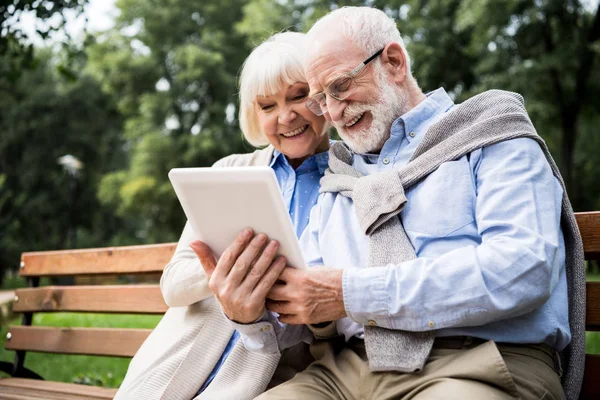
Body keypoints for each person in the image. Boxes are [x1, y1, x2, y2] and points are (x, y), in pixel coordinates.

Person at [193, 6, 586, 400]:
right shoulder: (338, 179)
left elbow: (523, 268)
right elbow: (300, 313)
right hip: (343, 374)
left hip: (479, 362)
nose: (332, 112)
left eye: (339, 86)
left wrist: (350, 294)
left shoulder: (491, 133)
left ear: (394, 62)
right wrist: (247, 312)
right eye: (321, 100)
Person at [115, 31, 329, 400]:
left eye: (299, 95)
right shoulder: (230, 169)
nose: (286, 116)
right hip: (173, 364)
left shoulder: (352, 179)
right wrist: (229, 269)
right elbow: (174, 285)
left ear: (325, 95)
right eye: (267, 106)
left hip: (267, 377)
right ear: (253, 113)